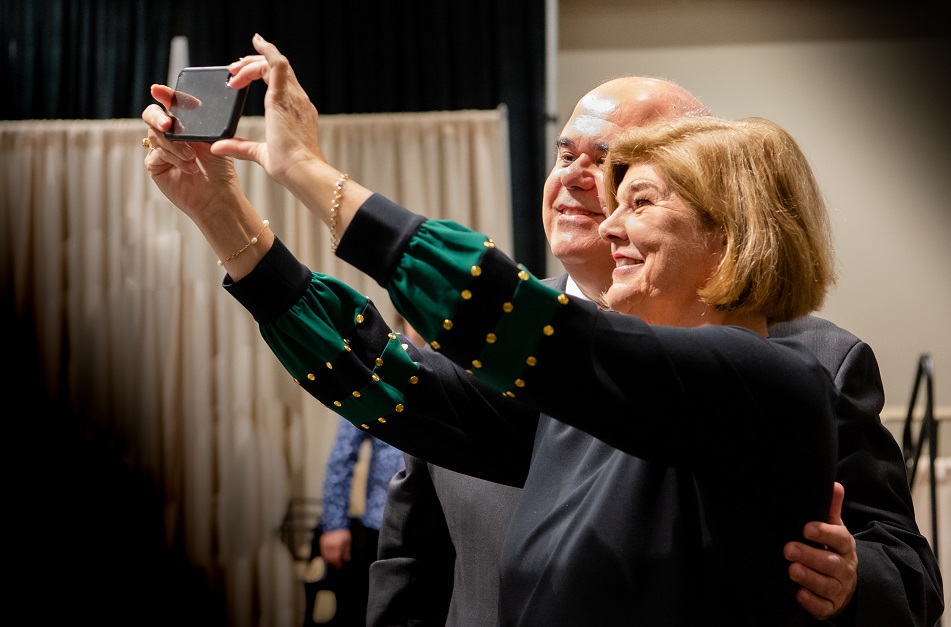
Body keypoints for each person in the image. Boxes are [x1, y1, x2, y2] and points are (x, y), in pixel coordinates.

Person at [140, 35, 943, 624]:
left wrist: (308, 171)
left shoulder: (776, 379)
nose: (606, 219)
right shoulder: (565, 390)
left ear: (732, 231)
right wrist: (221, 214)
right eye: (580, 166)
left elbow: (519, 321)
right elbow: (385, 381)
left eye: (639, 198)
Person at [368, 77, 946, 626]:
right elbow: (410, 558)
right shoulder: (481, 348)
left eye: (616, 168)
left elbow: (908, 573)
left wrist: (850, 581)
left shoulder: (813, 361)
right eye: (566, 156)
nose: (576, 179)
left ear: (717, 203)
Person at [306, 415, 405, 627]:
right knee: (371, 611)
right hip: (381, 527)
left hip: (441, 529)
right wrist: (334, 526)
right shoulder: (374, 383)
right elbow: (343, 455)